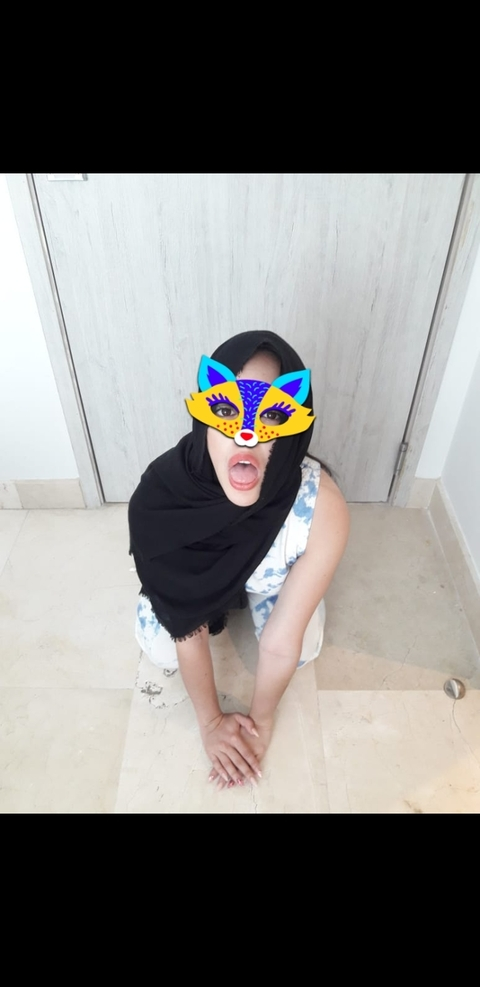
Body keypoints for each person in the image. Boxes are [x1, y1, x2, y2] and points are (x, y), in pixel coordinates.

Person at [128, 331, 349, 791]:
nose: (245, 436)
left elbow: (282, 644)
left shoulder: (321, 508)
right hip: (191, 587)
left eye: (272, 415)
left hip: (270, 578)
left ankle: (264, 590)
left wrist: (262, 721)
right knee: (161, 647)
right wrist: (210, 722)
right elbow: (186, 629)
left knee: (302, 649)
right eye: (227, 411)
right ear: (204, 419)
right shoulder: (160, 499)